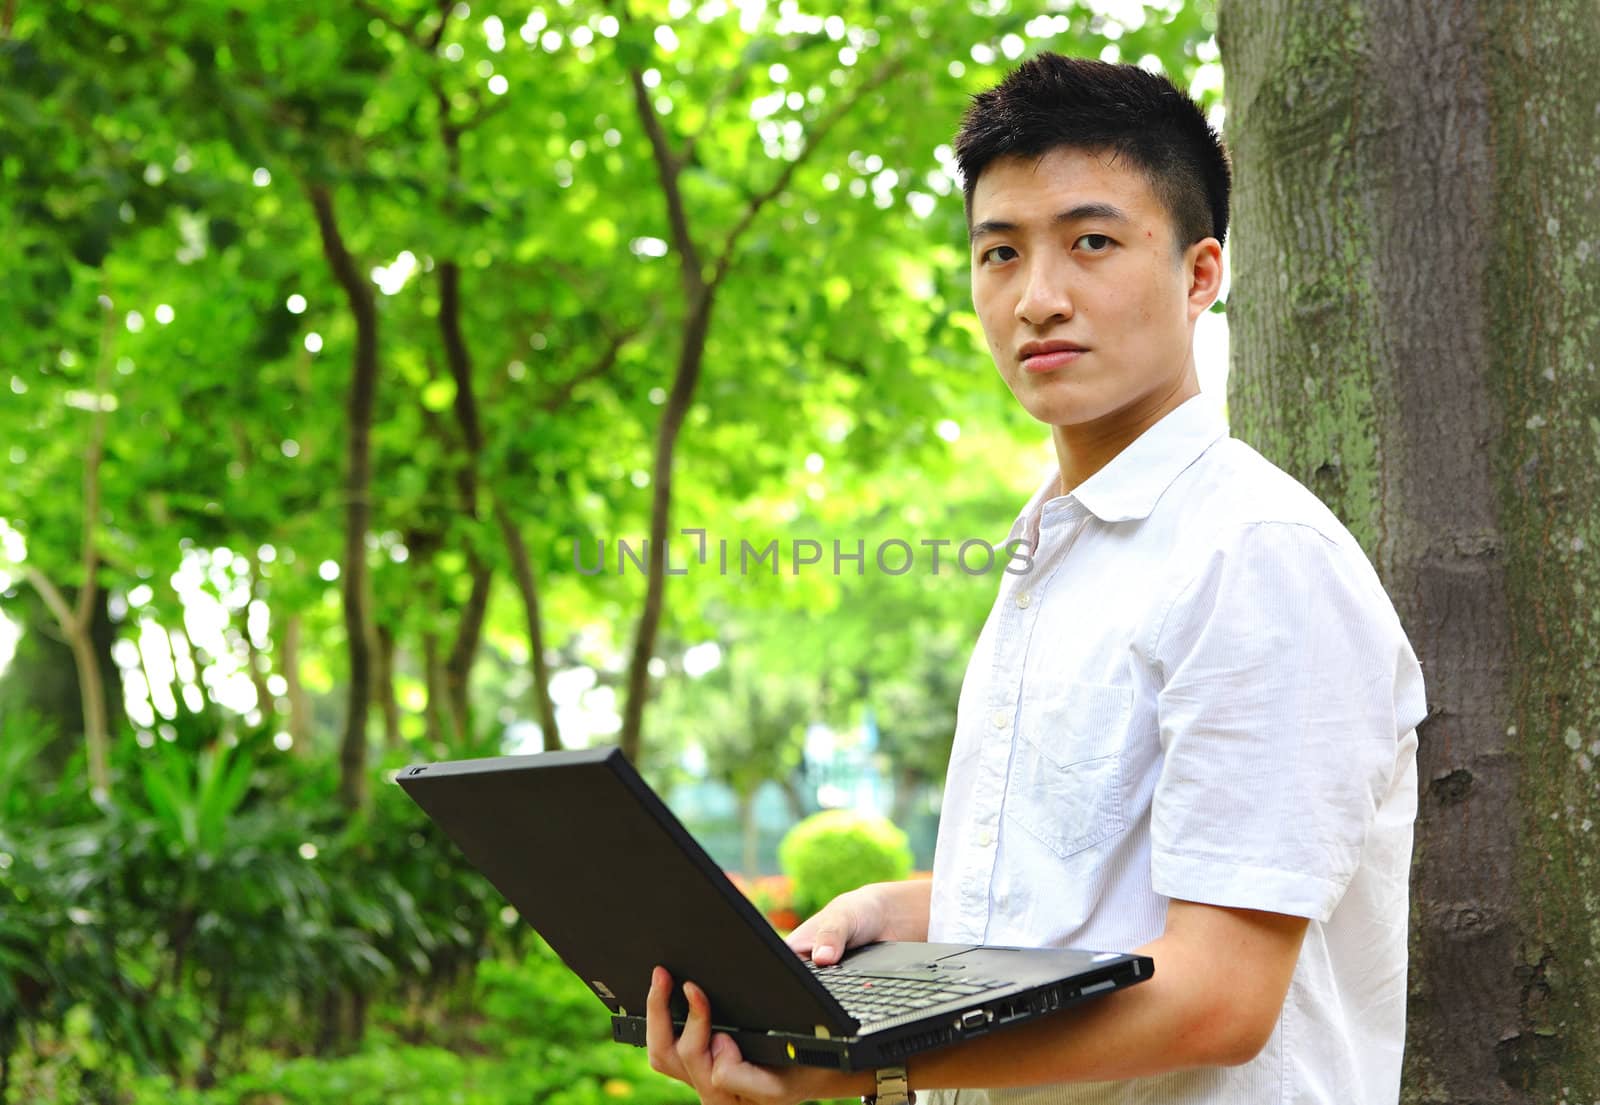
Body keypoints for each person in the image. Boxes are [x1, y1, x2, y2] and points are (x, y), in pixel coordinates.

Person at [644, 52, 1426, 1105]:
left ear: (1200, 274)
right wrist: (892, 909)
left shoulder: (1252, 554)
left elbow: (1219, 995)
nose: (1038, 298)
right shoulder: (1059, 551)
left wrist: (852, 1059)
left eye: (1091, 242)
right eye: (999, 252)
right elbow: (1090, 897)